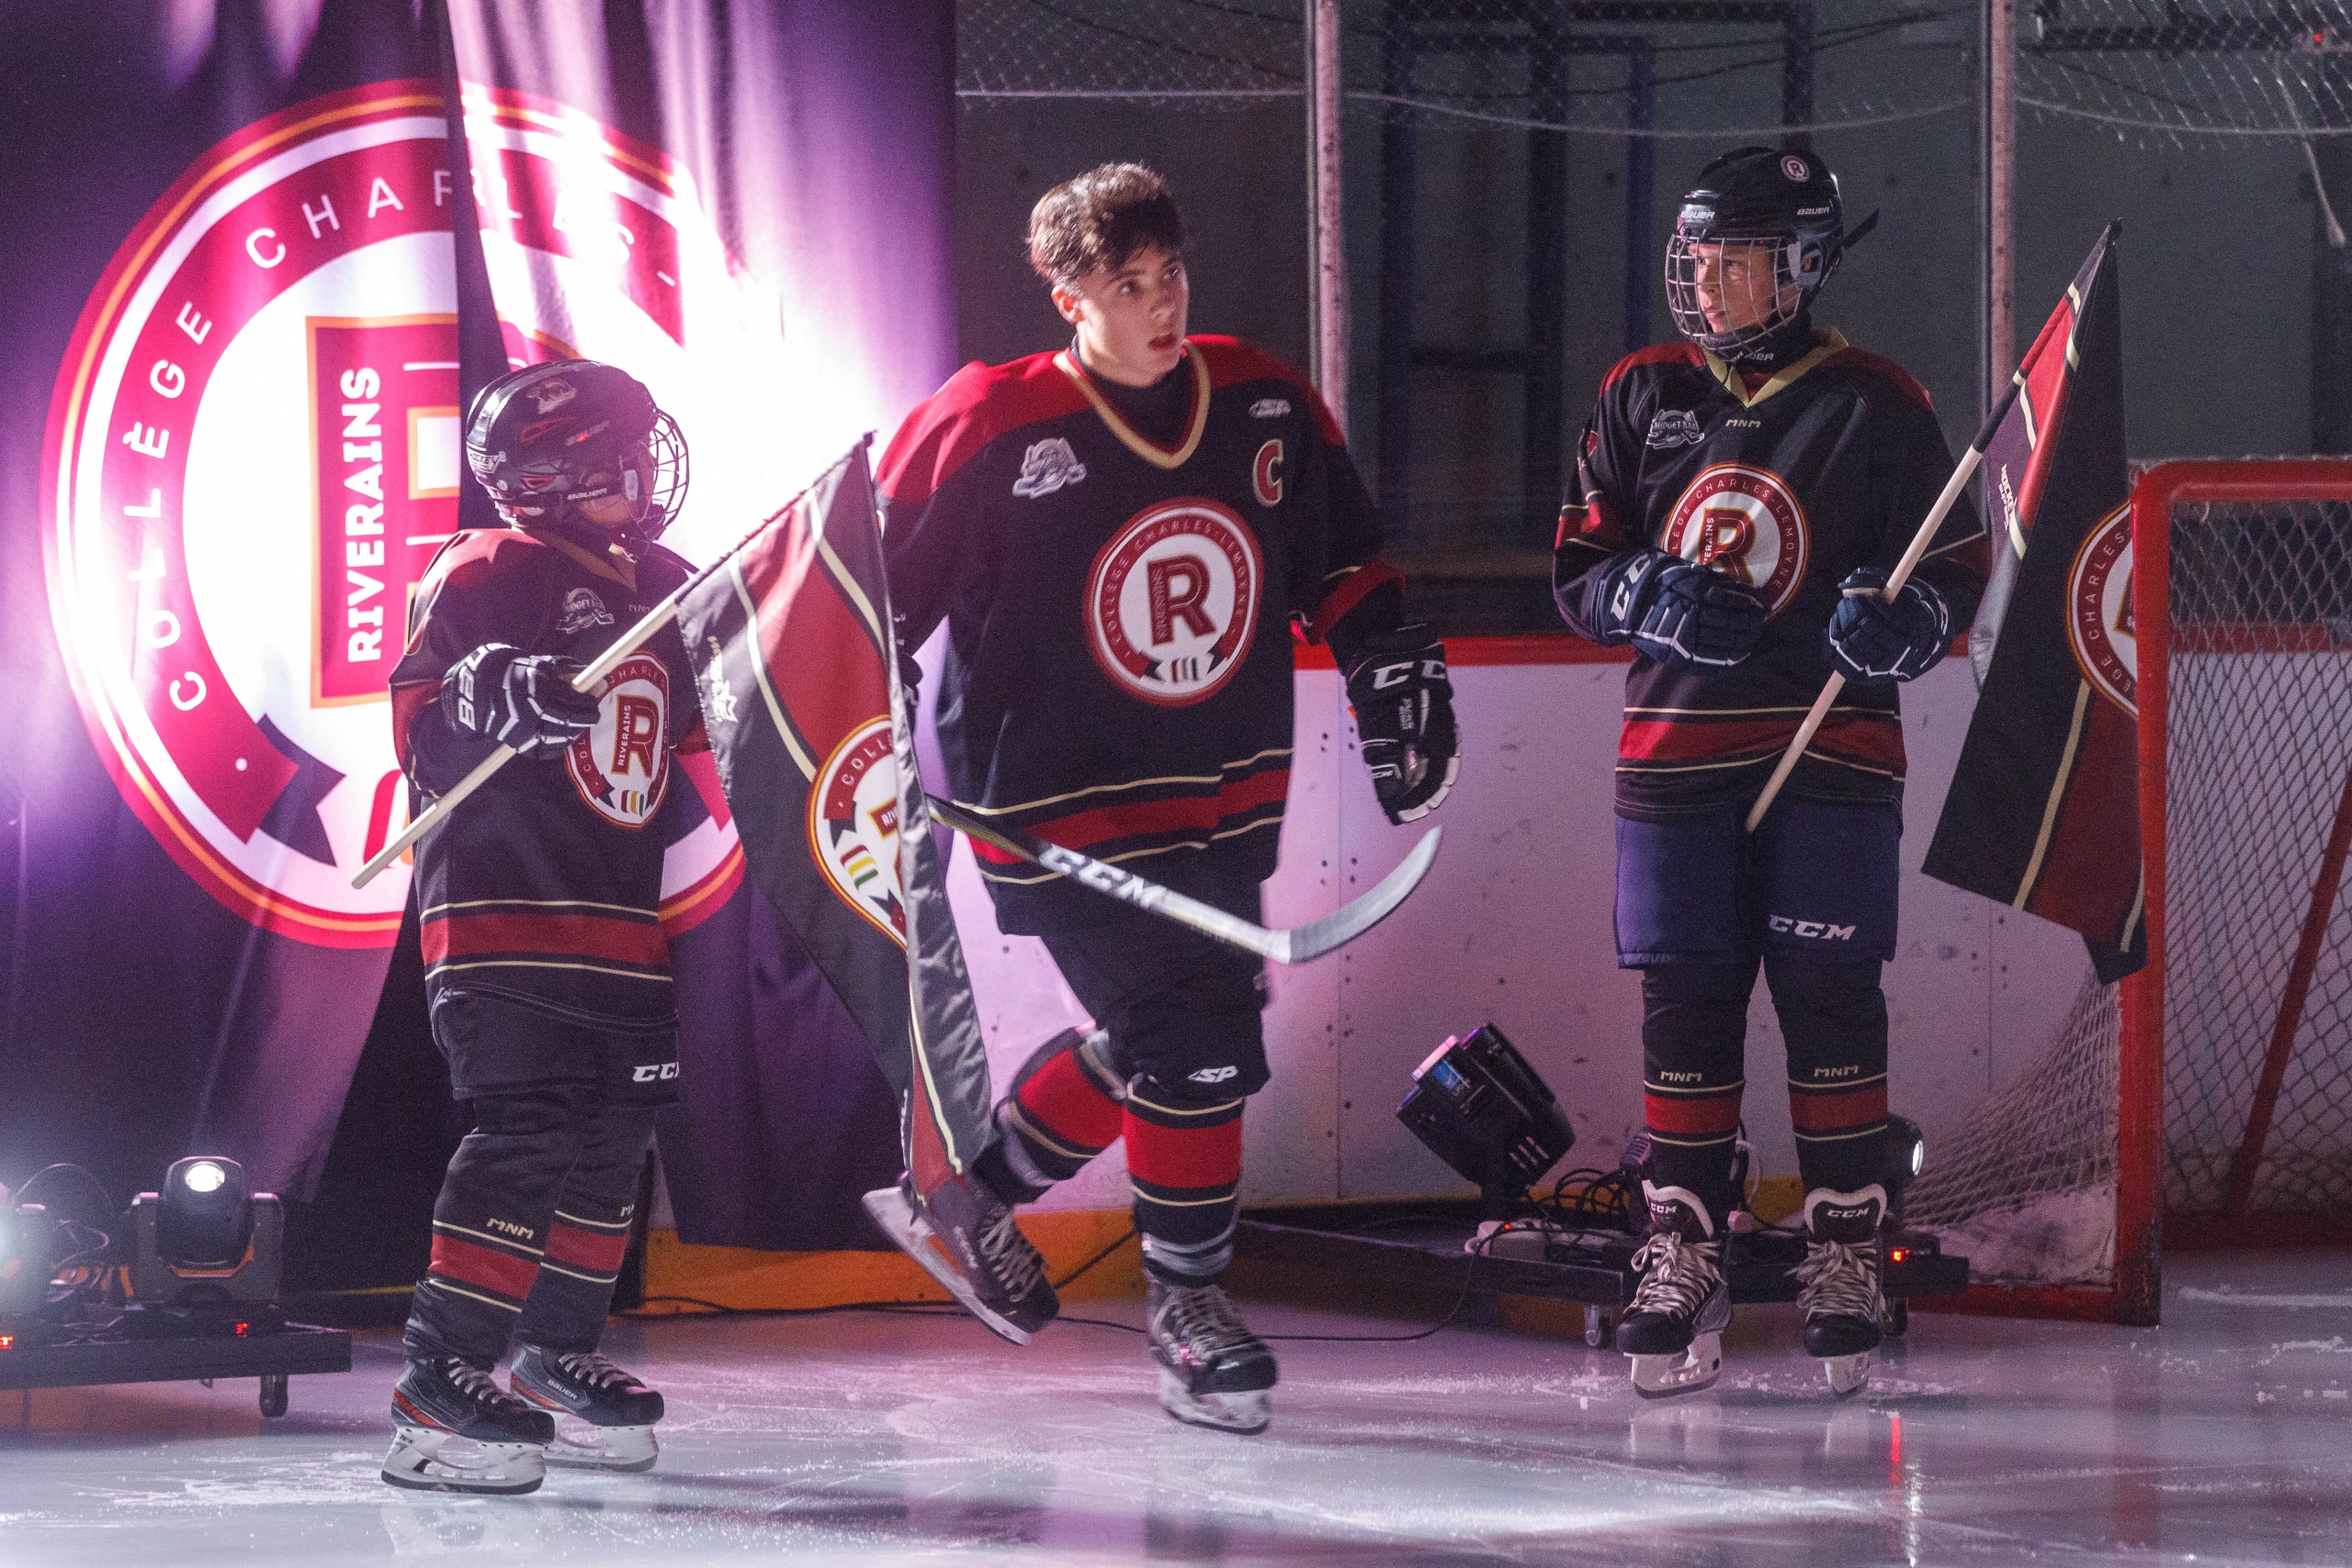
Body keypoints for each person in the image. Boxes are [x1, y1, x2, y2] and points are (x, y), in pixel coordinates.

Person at [873, 163, 1457, 1434]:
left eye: (1170, 272)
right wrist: (852, 739)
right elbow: (870, 603)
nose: (1160, 301)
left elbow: (1342, 561)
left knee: (1170, 1035)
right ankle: (1190, 1313)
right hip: (1048, 805)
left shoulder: (1258, 397)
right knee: (1192, 1040)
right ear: (1065, 295)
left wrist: (1395, 679)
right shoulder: (986, 423)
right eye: (1127, 283)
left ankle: (967, 1200)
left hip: (1218, 793)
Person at [1551, 147, 1988, 1398]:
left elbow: (1951, 568)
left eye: (1734, 258)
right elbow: (1580, 566)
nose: (1707, 279)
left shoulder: (1878, 402)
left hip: (1831, 755)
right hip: (1675, 756)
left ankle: (1847, 1248)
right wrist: (1644, 591)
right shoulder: (1640, 392)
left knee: (1830, 993)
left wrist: (1907, 624)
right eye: (1696, 256)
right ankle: (1681, 1243)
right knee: (1685, 1001)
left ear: (1800, 265)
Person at [379, 360, 699, 1493]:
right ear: (566, 472)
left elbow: (727, 739)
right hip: (505, 918)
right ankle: (438, 1385)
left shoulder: (662, 583)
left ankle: (553, 1358)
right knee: (526, 1137)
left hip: (623, 920)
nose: (647, 471)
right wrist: (490, 689)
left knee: (613, 1142)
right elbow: (421, 714)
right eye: (625, 452)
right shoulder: (489, 565)